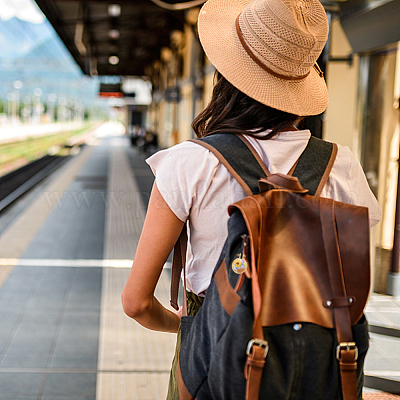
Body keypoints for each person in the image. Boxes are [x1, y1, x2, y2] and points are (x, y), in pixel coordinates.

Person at [121, 0, 382, 398]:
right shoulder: (341, 165)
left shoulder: (190, 163)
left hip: (211, 368)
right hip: (312, 364)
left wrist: (193, 326)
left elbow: (137, 303)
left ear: (226, 78)